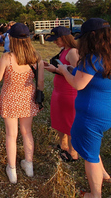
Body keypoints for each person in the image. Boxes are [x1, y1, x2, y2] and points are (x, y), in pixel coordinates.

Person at [57, 18, 111, 198]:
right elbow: (94, 78)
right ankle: (104, 174)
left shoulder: (91, 58)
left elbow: (78, 84)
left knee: (89, 157)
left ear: (92, 36)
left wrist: (64, 71)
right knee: (93, 145)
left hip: (90, 114)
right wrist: (72, 69)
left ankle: (95, 194)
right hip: (110, 111)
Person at [0, 23, 44, 183]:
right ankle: (28, 165)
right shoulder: (36, 58)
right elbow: (41, 83)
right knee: (27, 132)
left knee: (11, 135)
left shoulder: (7, 57)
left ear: (12, 39)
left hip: (9, 98)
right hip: (28, 99)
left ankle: (12, 170)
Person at [43, 26, 79, 162]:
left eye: (56, 39)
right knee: (59, 120)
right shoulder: (64, 50)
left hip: (69, 92)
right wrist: (54, 69)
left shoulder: (73, 52)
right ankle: (63, 145)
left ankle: (73, 152)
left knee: (69, 122)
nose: (55, 42)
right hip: (59, 91)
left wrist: (57, 70)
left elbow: (76, 72)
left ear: (64, 38)